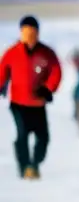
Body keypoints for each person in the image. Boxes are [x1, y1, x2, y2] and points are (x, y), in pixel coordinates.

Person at [0, 16, 62, 179]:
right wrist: (1, 85)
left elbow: (56, 72)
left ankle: (35, 164)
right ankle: (25, 168)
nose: (29, 36)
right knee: (22, 135)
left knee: (43, 137)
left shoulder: (46, 53)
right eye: (26, 32)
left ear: (37, 33)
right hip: (18, 104)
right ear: (21, 33)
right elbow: (3, 69)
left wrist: (48, 89)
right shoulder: (12, 53)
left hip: (38, 104)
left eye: (32, 32)